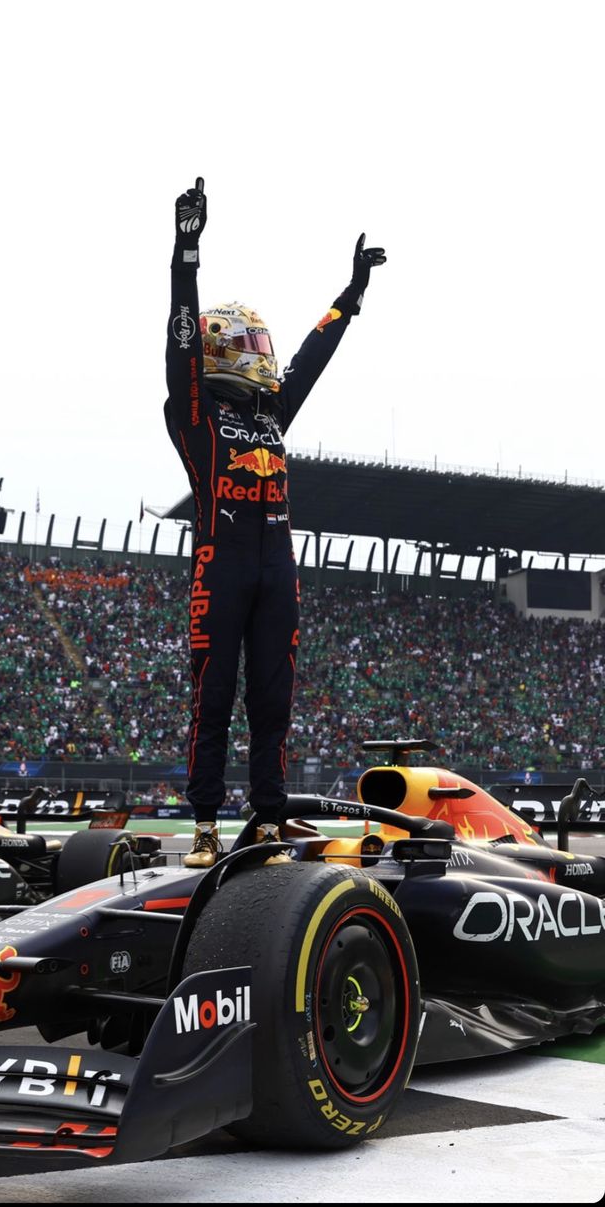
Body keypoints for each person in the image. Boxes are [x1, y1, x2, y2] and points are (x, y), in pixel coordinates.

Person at [165, 177, 385, 866]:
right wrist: (186, 253)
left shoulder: (271, 414)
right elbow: (178, 346)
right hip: (220, 567)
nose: (261, 351)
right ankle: (204, 825)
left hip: (276, 572)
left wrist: (348, 300)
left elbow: (310, 364)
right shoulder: (196, 415)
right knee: (214, 696)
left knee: (273, 697)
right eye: (249, 341)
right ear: (224, 347)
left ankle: (267, 818)